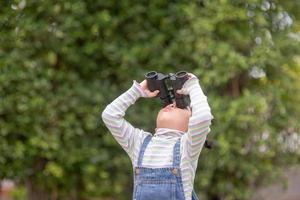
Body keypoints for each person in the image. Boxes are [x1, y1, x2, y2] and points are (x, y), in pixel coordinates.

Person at [102, 72, 214, 200]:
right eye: (169, 103)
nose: (171, 105)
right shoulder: (139, 142)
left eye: (181, 106)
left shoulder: (187, 146)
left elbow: (203, 117)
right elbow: (109, 115)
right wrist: (137, 91)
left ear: (190, 125)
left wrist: (193, 85)